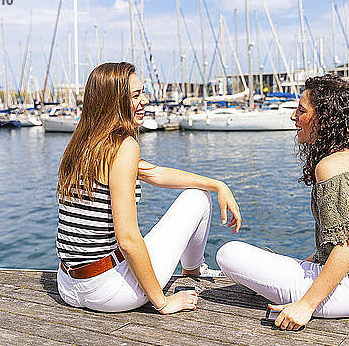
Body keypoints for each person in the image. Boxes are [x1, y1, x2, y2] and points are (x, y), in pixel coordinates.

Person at [216, 74, 349, 330]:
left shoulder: (328, 167)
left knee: (228, 254)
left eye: (301, 110)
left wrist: (305, 305)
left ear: (324, 119)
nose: (294, 117)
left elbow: (348, 245)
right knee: (291, 264)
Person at [56, 62, 241, 314]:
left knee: (202, 189)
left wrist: (217, 184)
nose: (144, 100)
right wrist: (162, 303)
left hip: (68, 286)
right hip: (107, 291)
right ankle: (193, 271)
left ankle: (193, 269)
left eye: (142, 93)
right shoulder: (123, 147)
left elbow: (155, 173)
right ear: (113, 101)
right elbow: (128, 240)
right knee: (197, 198)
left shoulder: (84, 144)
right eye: (135, 95)